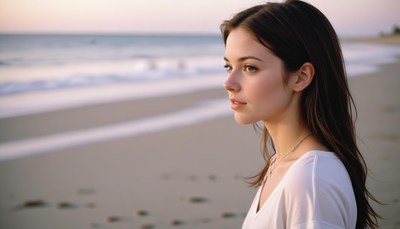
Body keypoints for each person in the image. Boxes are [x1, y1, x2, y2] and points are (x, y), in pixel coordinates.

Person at [220, 0, 380, 228]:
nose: (229, 83)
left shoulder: (311, 181)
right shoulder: (284, 164)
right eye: (228, 66)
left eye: (249, 68)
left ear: (302, 76)